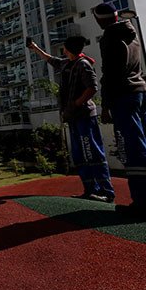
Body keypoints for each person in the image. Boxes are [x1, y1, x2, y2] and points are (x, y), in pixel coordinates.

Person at [92, 2, 146, 222]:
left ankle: (145, 205)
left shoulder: (110, 37)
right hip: (140, 93)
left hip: (123, 96)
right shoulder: (130, 32)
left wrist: (105, 105)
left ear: (101, 19)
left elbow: (110, 73)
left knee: (134, 149)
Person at [28, 35, 114, 203]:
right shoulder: (67, 63)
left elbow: (92, 88)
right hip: (73, 117)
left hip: (84, 117)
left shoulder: (83, 65)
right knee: (79, 154)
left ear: (67, 49)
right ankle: (90, 189)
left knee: (92, 152)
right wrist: (35, 48)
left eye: (64, 47)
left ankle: (107, 191)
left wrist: (75, 103)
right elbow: (50, 59)